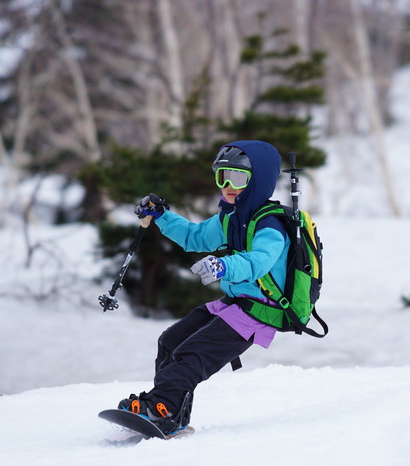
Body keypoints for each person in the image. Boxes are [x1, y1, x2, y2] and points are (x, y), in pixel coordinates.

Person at [118, 140, 289, 435]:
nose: (227, 186)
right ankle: (171, 413)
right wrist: (162, 216)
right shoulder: (231, 218)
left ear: (257, 181)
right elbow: (194, 237)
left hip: (260, 310)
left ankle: (162, 408)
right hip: (236, 303)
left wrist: (224, 266)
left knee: (192, 354)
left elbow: (259, 262)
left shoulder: (270, 225)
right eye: (221, 177)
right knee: (170, 342)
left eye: (237, 177)